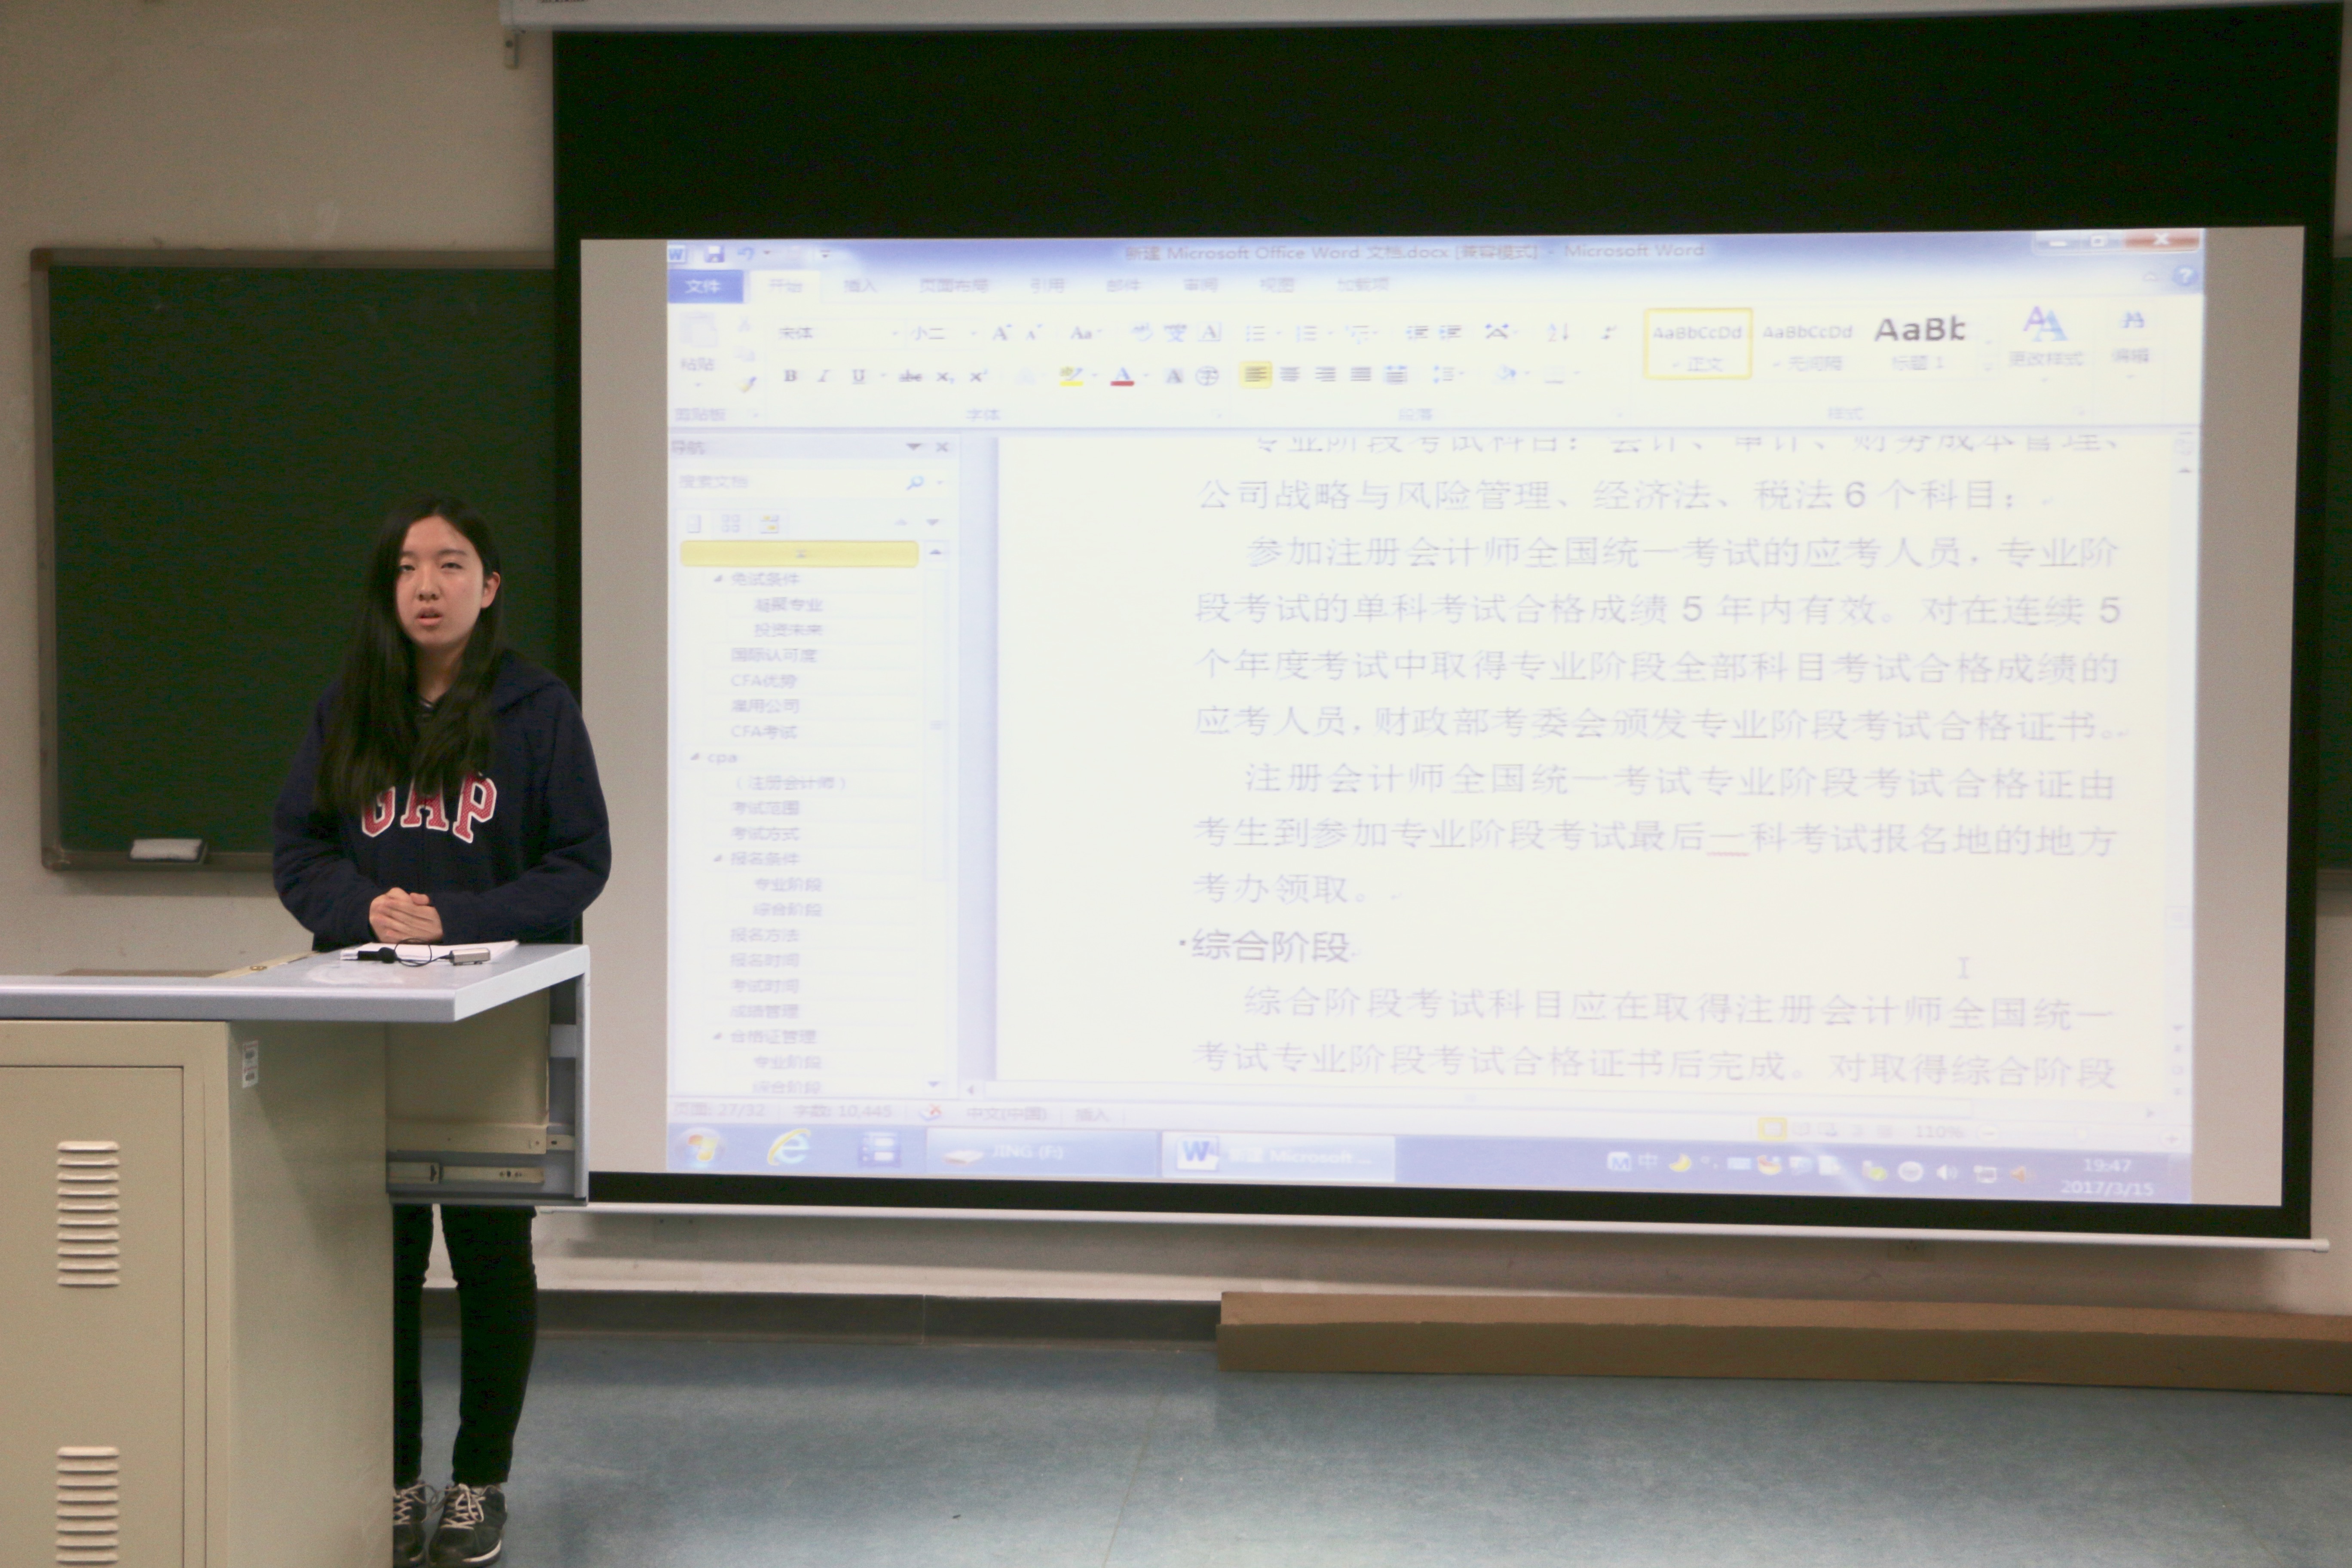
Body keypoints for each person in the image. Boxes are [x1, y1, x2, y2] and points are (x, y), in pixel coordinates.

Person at [273, 495, 609, 1567]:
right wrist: (364, 910)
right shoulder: (349, 708)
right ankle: (391, 1477)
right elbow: (300, 853)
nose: (427, 585)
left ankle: (478, 1484)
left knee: (490, 1255)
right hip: (366, 1026)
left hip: (492, 1021)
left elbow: (579, 861)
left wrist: (455, 921)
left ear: (489, 586)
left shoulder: (538, 709)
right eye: (409, 566)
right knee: (382, 1259)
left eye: (451, 563)